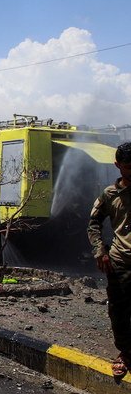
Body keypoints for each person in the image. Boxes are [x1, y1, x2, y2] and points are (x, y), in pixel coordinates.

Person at [89, 142, 131, 377]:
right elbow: (93, 224)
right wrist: (100, 251)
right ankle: (125, 353)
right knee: (119, 311)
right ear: (118, 166)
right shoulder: (110, 194)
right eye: (128, 167)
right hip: (121, 262)